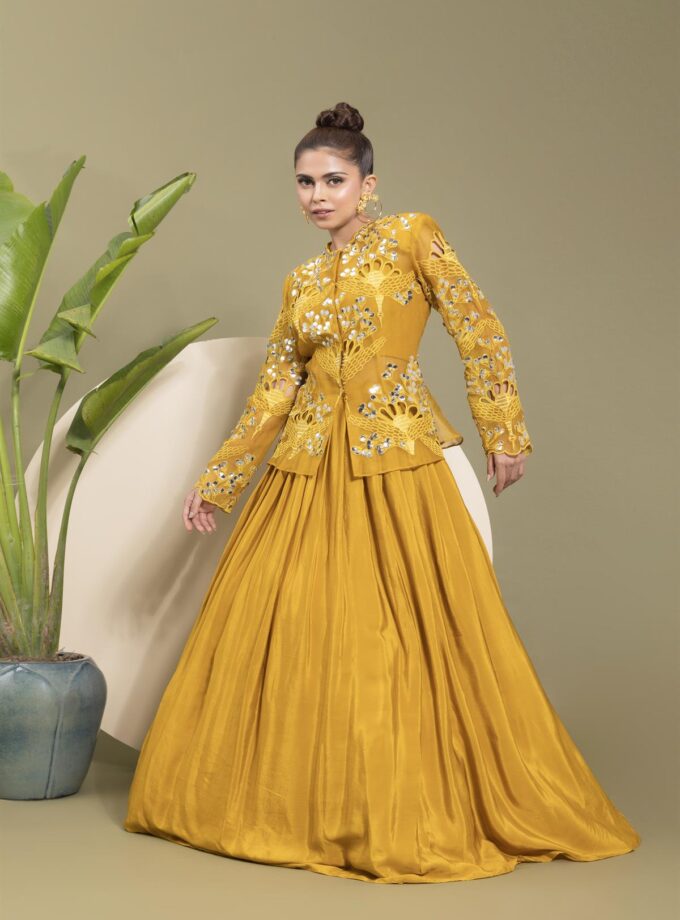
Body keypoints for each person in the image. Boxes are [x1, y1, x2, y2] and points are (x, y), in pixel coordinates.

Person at [123, 102, 641, 884]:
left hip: (396, 457)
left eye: (333, 179)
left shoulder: (410, 236)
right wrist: (220, 481)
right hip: (304, 470)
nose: (317, 194)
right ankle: (299, 807)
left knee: (402, 632)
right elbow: (274, 391)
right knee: (296, 624)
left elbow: (477, 326)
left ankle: (396, 803)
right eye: (305, 181)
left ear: (369, 184)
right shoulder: (300, 281)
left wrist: (503, 429)